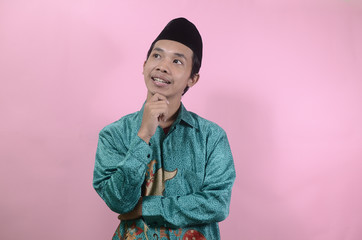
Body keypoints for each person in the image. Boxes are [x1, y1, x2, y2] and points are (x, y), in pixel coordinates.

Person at [93, 17, 236, 240]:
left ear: (193, 79)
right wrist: (143, 136)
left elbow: (218, 204)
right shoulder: (114, 134)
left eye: (177, 61)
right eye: (157, 56)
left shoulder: (212, 137)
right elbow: (118, 201)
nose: (162, 66)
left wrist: (146, 208)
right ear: (144, 66)